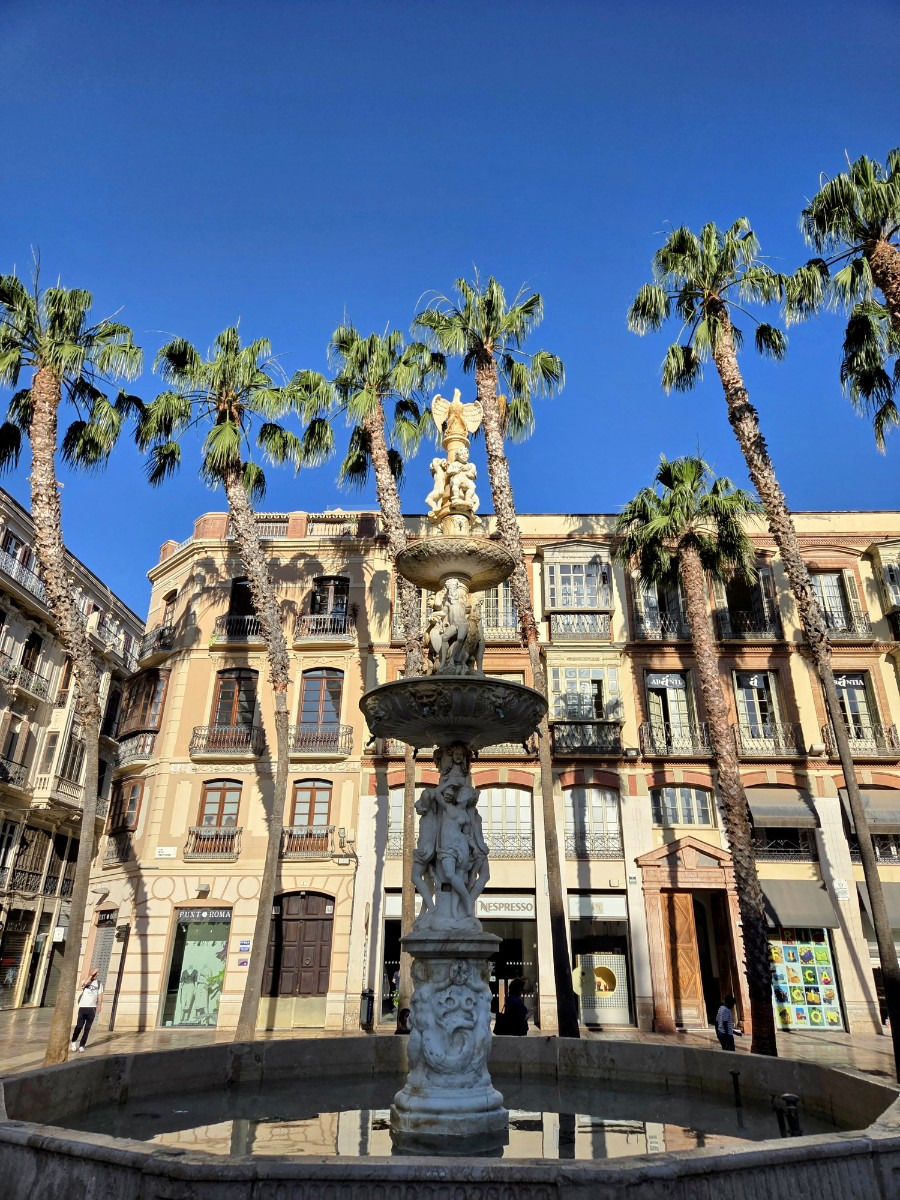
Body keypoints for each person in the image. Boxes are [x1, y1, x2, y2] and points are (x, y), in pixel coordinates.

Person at [71, 967, 103, 1052]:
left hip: (92, 1008)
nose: (96, 975)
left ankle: (82, 1045)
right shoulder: (85, 981)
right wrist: (91, 974)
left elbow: (100, 995)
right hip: (83, 1007)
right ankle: (74, 1040)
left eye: (97, 974)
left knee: (87, 1028)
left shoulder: (99, 984)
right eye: (95, 973)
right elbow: (84, 984)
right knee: (79, 1026)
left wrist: (100, 1005)